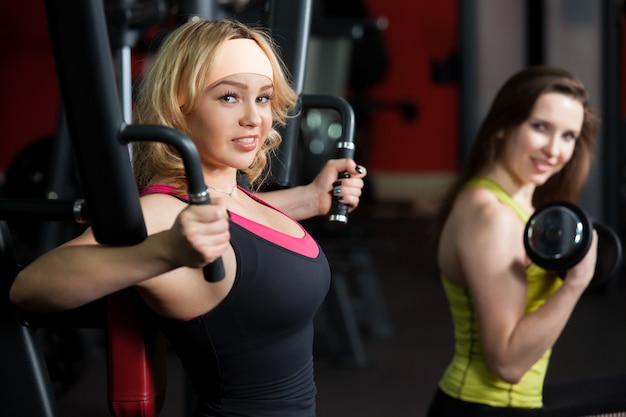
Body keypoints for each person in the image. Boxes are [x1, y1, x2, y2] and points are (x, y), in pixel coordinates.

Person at [10, 18, 366, 417]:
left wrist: (310, 199)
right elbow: (29, 287)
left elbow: (243, 235)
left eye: (263, 98)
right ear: (180, 105)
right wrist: (160, 253)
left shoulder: (228, 193)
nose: (254, 118)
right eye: (229, 97)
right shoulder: (164, 212)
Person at [426, 66, 601, 416]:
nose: (554, 149)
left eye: (568, 136)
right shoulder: (493, 216)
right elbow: (506, 363)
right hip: (485, 405)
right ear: (505, 125)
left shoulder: (517, 204)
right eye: (541, 127)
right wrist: (575, 284)